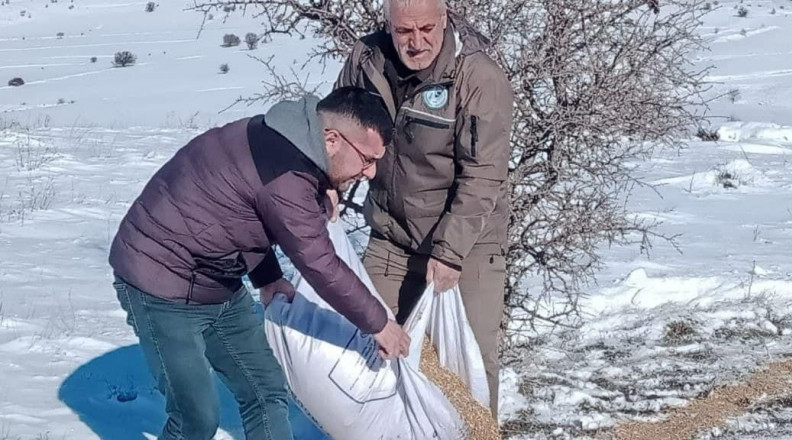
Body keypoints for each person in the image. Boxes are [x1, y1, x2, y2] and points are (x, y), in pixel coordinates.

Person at [108, 87, 411, 440]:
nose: (371, 173)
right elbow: (318, 262)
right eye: (366, 159)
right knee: (196, 418)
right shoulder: (286, 173)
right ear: (331, 140)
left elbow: (239, 210)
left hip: (215, 281)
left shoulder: (288, 137)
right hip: (158, 284)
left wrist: (267, 277)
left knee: (266, 391)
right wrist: (378, 323)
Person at [335, 0, 514, 416]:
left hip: (467, 246)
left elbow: (484, 174)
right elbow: (336, 130)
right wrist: (328, 185)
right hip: (392, 237)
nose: (417, 43)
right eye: (404, 32)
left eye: (427, 29)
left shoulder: (477, 78)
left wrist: (449, 251)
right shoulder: (366, 61)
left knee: (467, 372)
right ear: (388, 26)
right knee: (364, 351)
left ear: (445, 19)